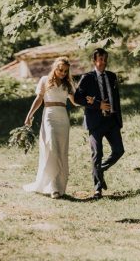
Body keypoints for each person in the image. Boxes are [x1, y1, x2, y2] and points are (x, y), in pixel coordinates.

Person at [23, 57, 90, 198]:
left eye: (65, 71)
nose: (62, 73)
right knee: (52, 148)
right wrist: (29, 115)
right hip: (49, 116)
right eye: (60, 70)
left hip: (63, 118)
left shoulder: (68, 84)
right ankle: (52, 187)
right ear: (55, 67)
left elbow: (75, 102)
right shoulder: (44, 80)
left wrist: (88, 101)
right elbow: (39, 99)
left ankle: (59, 186)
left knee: (61, 151)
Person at [73, 48, 124, 198]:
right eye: (100, 59)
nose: (103, 62)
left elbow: (116, 99)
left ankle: (100, 170)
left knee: (119, 151)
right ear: (94, 61)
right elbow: (77, 99)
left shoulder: (112, 76)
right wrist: (97, 104)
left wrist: (118, 119)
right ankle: (97, 189)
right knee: (97, 154)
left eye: (105, 59)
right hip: (95, 122)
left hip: (111, 121)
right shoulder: (87, 78)